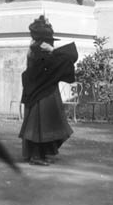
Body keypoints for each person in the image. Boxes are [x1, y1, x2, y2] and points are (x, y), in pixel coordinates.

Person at [19, 16, 77, 166]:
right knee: (40, 124)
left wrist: (52, 51)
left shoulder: (36, 51)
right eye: (49, 41)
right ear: (43, 41)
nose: (51, 43)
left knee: (43, 124)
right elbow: (68, 59)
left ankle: (39, 153)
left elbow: (65, 60)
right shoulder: (41, 53)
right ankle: (36, 156)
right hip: (42, 95)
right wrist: (52, 50)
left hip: (41, 92)